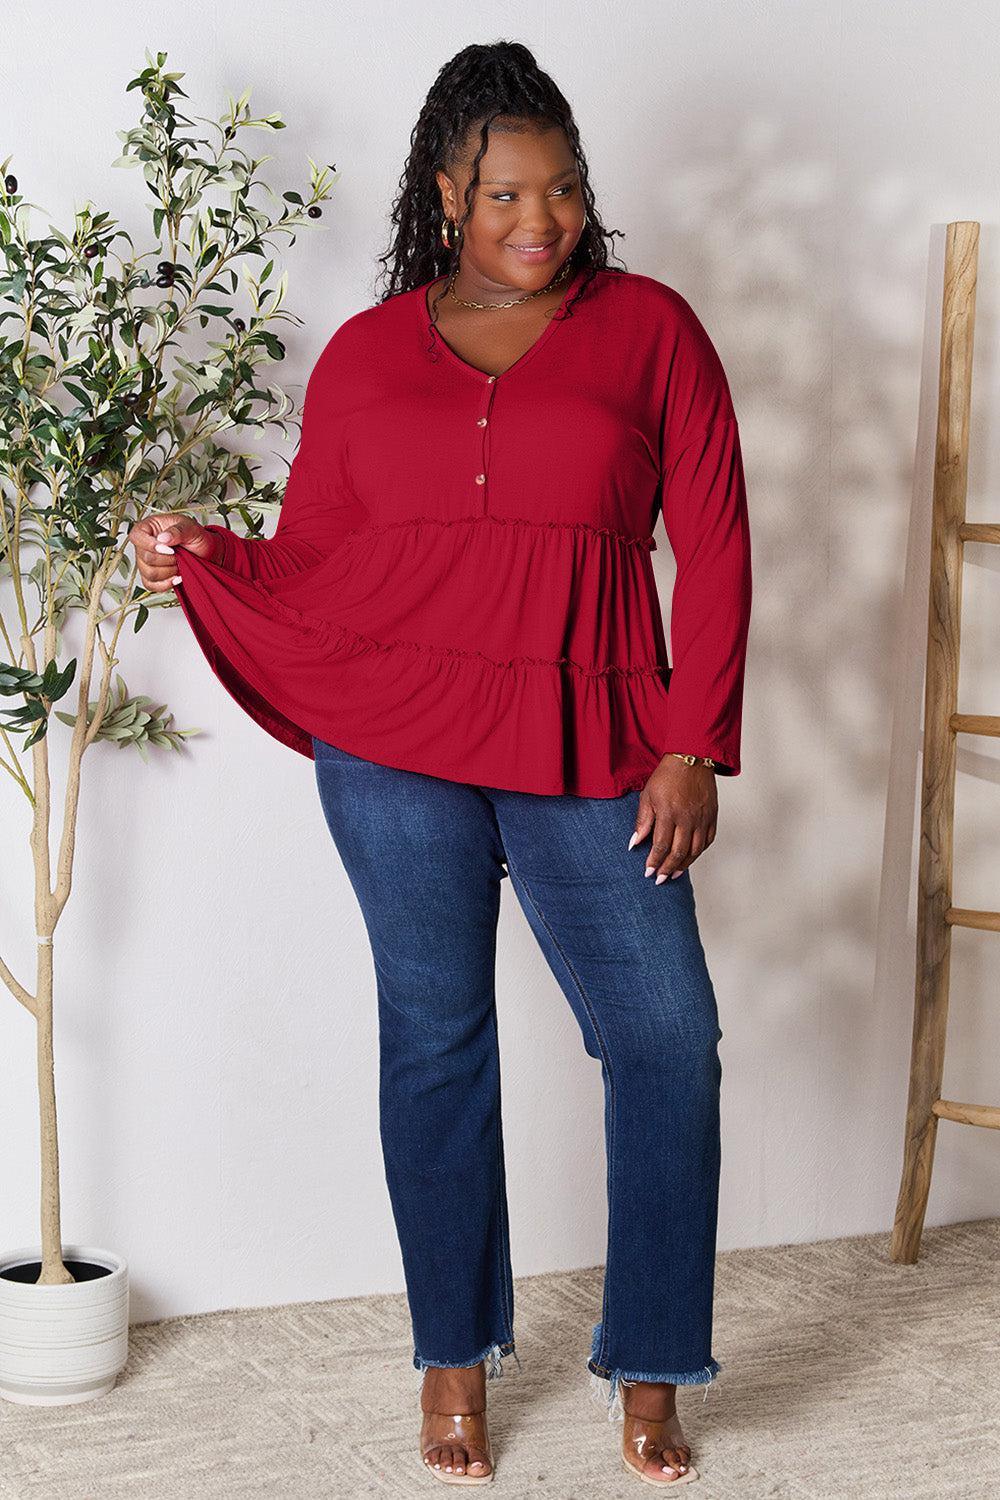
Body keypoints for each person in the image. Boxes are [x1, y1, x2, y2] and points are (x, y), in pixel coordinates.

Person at [128, 39, 751, 1489]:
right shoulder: (362, 356)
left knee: (664, 1040)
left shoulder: (653, 330)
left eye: (565, 191)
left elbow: (712, 543)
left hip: (591, 739)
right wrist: (212, 556)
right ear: (443, 193)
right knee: (436, 1041)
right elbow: (326, 562)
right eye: (504, 193)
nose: (541, 220)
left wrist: (688, 738)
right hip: (393, 746)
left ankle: (654, 1368)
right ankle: (452, 1367)